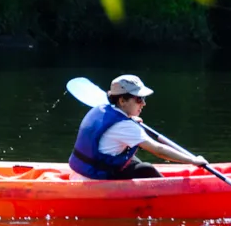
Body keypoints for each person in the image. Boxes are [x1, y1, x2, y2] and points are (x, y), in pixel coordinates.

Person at [68, 74, 209, 180]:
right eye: (138, 99)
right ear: (122, 100)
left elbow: (113, 130)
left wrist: (130, 118)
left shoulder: (103, 109)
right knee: (146, 169)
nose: (143, 104)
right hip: (94, 179)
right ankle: (171, 197)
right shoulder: (125, 126)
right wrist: (193, 160)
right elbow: (158, 150)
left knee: (134, 161)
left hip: (82, 171)